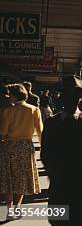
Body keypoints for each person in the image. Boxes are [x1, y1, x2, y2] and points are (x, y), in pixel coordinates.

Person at [41, 76, 82, 226]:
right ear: (61, 96)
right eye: (66, 93)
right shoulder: (52, 122)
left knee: (78, 220)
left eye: (73, 94)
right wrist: (52, 172)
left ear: (79, 98)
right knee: (57, 221)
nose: (69, 98)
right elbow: (45, 152)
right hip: (59, 182)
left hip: (80, 183)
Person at [0, 83, 43, 212]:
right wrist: (43, 146)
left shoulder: (8, 111)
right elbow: (40, 130)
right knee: (22, 177)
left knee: (9, 178)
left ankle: (9, 207)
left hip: (10, 146)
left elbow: (3, 131)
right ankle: (18, 206)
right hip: (26, 146)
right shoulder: (34, 109)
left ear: (13, 96)